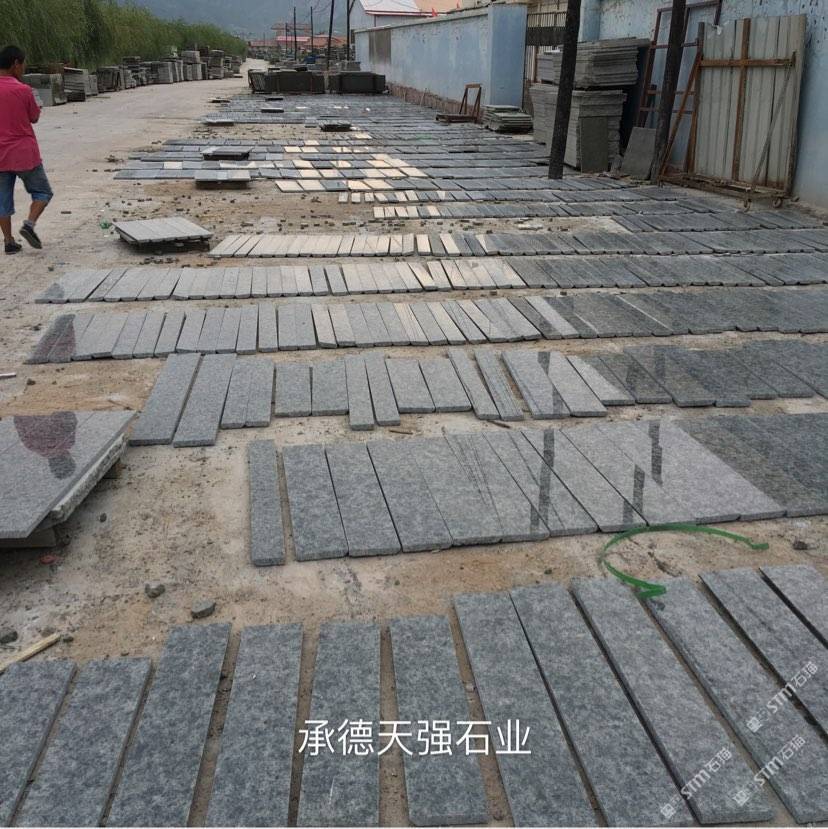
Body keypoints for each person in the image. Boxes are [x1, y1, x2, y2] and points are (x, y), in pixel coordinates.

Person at [0, 45, 53, 254]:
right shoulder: (23, 90)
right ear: (15, 64)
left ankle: (8, 242)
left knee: (2, 200)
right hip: (24, 153)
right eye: (22, 65)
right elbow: (34, 117)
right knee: (43, 192)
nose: (23, 69)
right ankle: (29, 225)